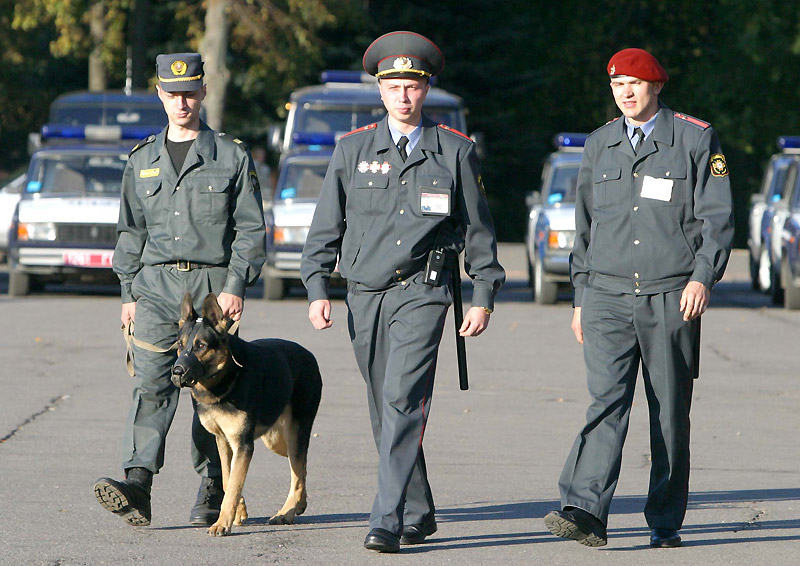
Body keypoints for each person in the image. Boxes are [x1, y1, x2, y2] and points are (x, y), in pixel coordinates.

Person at [301, 31, 505, 553]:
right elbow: (326, 227)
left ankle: (386, 518)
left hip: (422, 292)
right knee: (382, 405)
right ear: (379, 90)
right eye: (393, 85)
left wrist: (482, 294)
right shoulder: (351, 149)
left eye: (413, 85)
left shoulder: (455, 151)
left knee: (402, 400)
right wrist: (317, 287)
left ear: (427, 88)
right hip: (364, 293)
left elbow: (479, 231)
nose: (404, 95)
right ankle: (417, 507)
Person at [544, 48, 734, 548]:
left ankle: (665, 520)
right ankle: (584, 508)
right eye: (616, 85)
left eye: (634, 83)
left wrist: (702, 278)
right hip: (606, 294)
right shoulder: (600, 143)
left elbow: (717, 221)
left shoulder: (694, 138)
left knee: (668, 410)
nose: (625, 93)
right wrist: (580, 295)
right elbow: (584, 228)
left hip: (671, 295)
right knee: (605, 402)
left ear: (656, 86)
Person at [93, 52, 266, 528]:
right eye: (173, 94)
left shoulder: (231, 155)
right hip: (155, 287)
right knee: (152, 384)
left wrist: (235, 286)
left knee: (209, 390)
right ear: (160, 96)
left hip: (211, 291)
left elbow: (250, 229)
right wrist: (128, 292)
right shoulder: (142, 158)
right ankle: (138, 484)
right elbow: (130, 232)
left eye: (190, 92)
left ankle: (213, 486)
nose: (182, 101)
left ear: (203, 92)